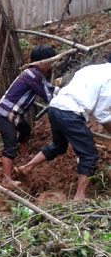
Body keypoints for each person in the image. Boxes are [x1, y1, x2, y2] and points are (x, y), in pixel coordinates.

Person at [18, 54, 111, 200]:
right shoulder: (109, 77)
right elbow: (102, 113)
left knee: (58, 145)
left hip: (55, 107)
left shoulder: (91, 69)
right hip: (70, 112)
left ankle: (27, 167)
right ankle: (79, 197)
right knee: (88, 154)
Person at [0, 46, 58, 187]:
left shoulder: (33, 74)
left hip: (13, 114)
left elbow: (47, 88)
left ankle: (23, 157)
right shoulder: (32, 75)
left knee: (25, 130)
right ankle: (6, 179)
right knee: (10, 145)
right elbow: (47, 94)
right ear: (41, 62)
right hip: (5, 115)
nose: (49, 66)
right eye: (48, 62)